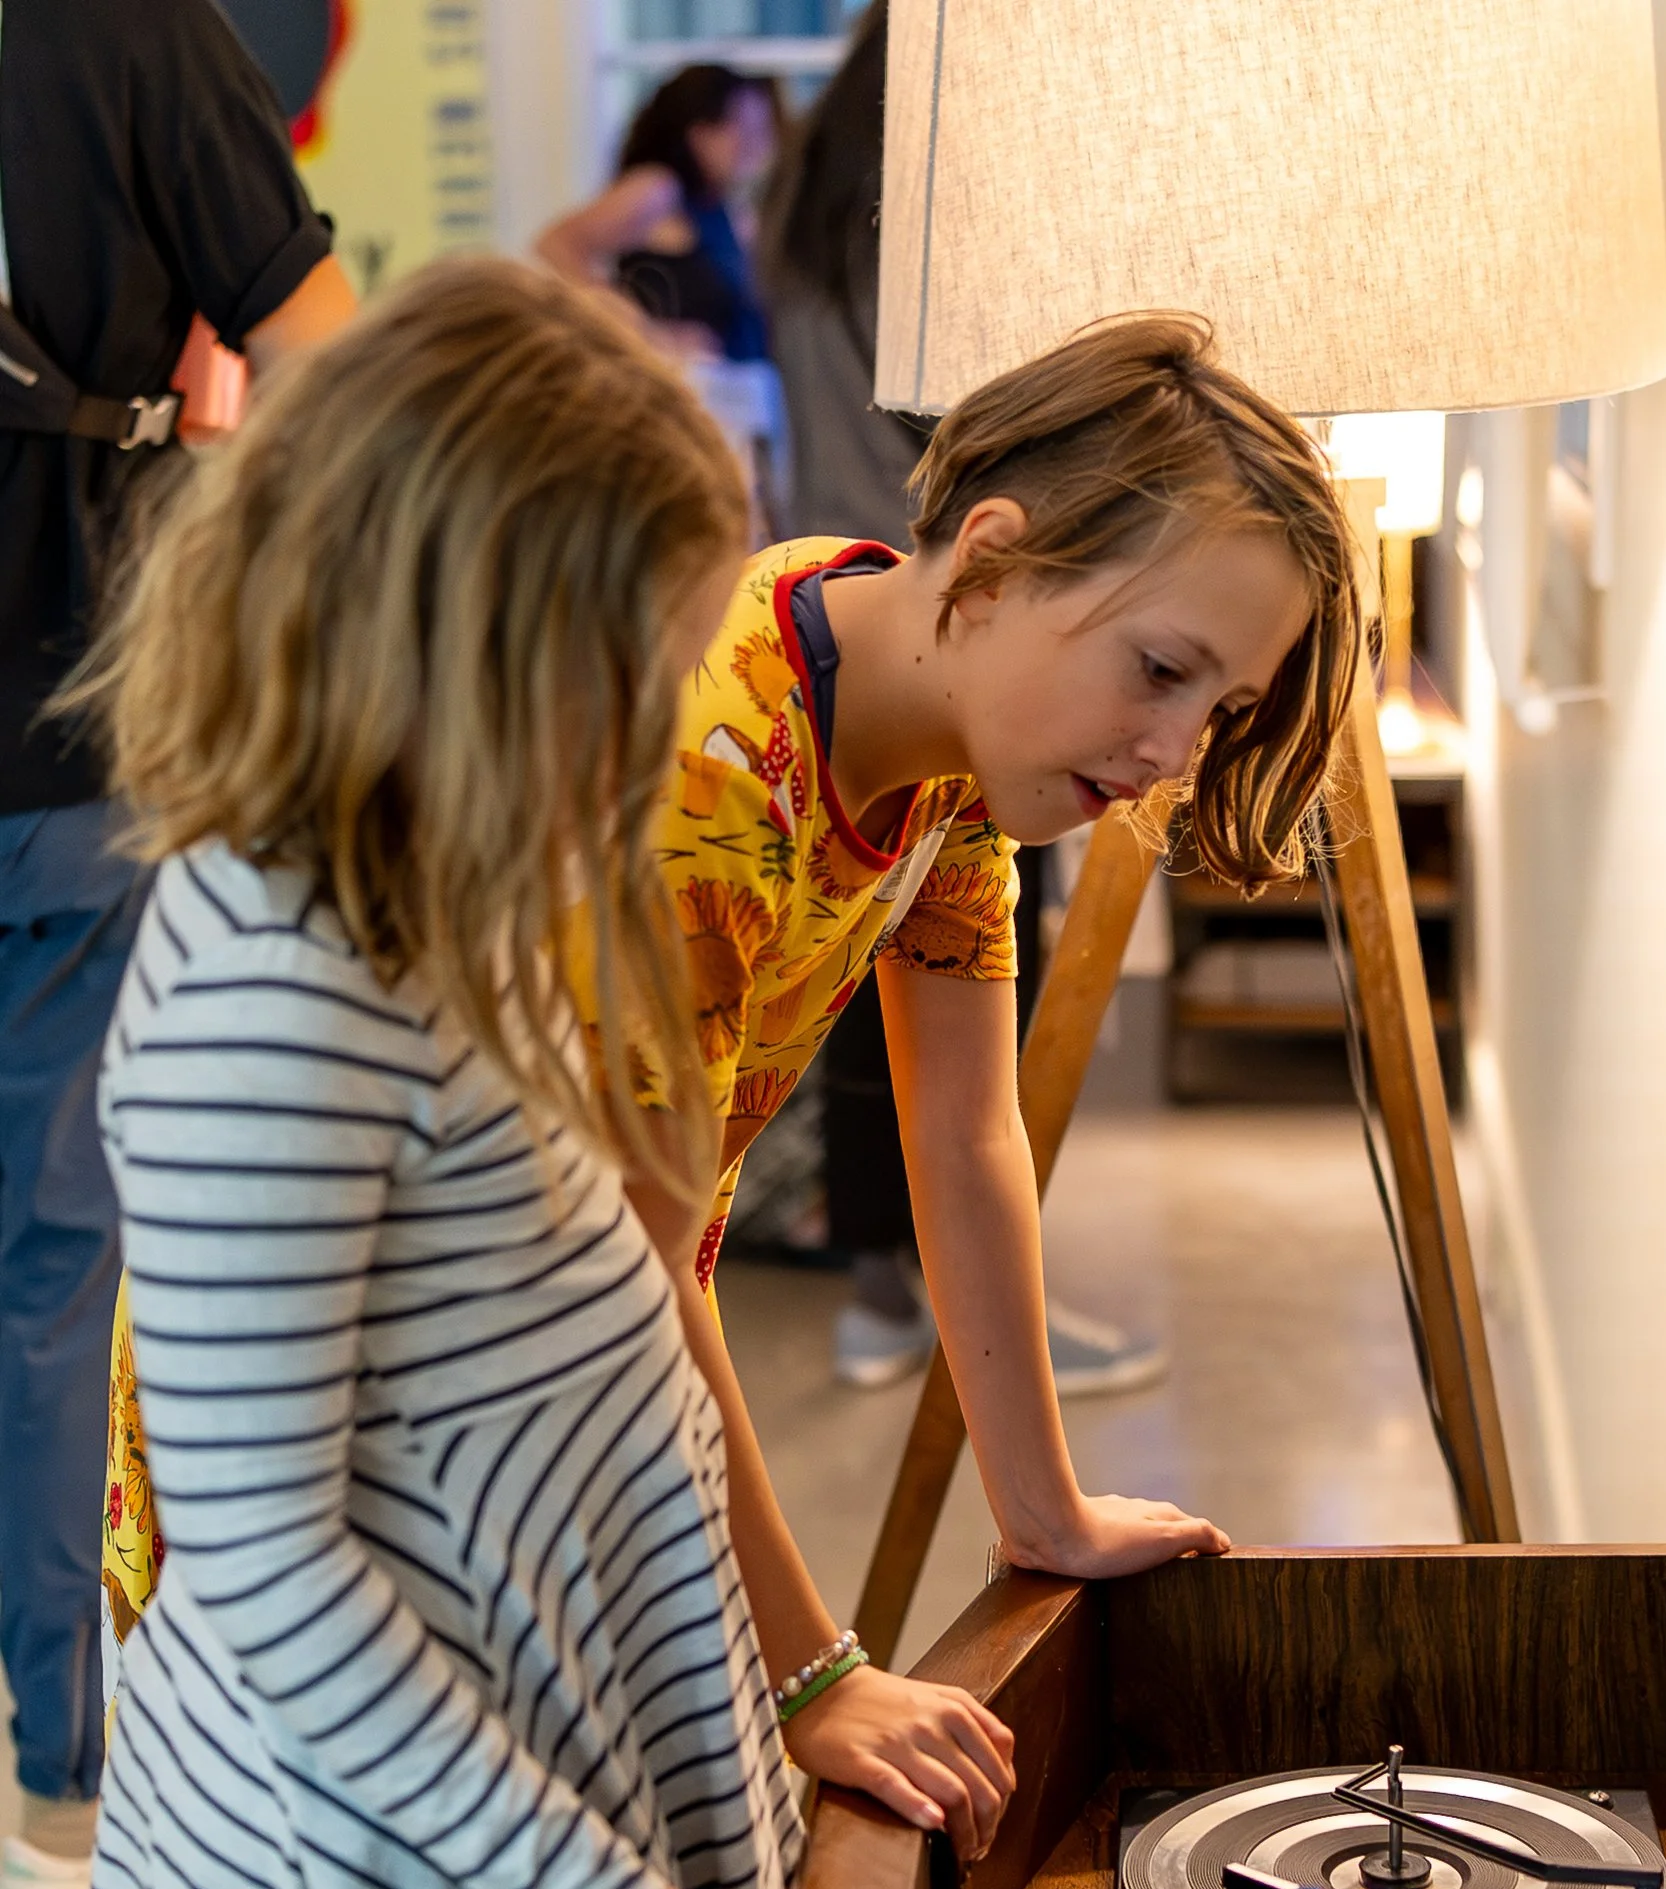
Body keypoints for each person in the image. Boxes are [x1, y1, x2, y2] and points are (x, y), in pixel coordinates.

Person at [59, 259, 1010, 1889]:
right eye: (632, 673)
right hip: (435, 1865)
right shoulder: (261, 999)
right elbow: (265, 1564)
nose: (666, 729)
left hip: (535, 1788)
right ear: (464, 647)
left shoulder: (452, 886)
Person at [566, 310, 1362, 1678]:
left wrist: (1044, 1512)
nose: (1175, 751)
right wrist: (816, 1678)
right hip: (381, 1403)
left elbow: (967, 1132)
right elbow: (630, 1267)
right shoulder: (712, 777)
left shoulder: (927, 700)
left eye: (1221, 710)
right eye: (1162, 670)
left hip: (590, 1373)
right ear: (990, 564)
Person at [0, 0, 354, 1889]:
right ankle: (59, 1800)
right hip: (71, 737)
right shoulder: (128, 24)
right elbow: (320, 356)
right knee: (60, 1270)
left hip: (73, 761)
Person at [757, 0, 1164, 1396]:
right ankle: (934, 1294)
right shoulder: (921, 223)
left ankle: (892, 1286)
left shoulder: (802, 198)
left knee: (864, 982)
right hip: (948, 608)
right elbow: (978, 432)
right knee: (958, 987)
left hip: (833, 589)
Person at [536, 64, 785, 527]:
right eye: (741, 128)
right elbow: (556, 246)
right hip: (687, 407)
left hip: (739, 408)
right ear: (698, 130)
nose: (754, 144)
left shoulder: (725, 208)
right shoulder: (658, 190)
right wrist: (646, 333)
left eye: (759, 129)